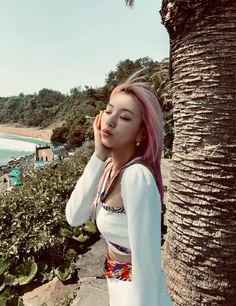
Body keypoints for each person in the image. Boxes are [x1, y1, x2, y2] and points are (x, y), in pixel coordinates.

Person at [65, 71, 172, 306]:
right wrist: (98, 155)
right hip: (118, 286)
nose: (110, 121)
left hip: (137, 294)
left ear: (141, 132)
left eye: (124, 117)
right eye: (109, 111)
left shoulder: (136, 177)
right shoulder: (108, 170)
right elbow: (74, 216)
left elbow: (147, 264)